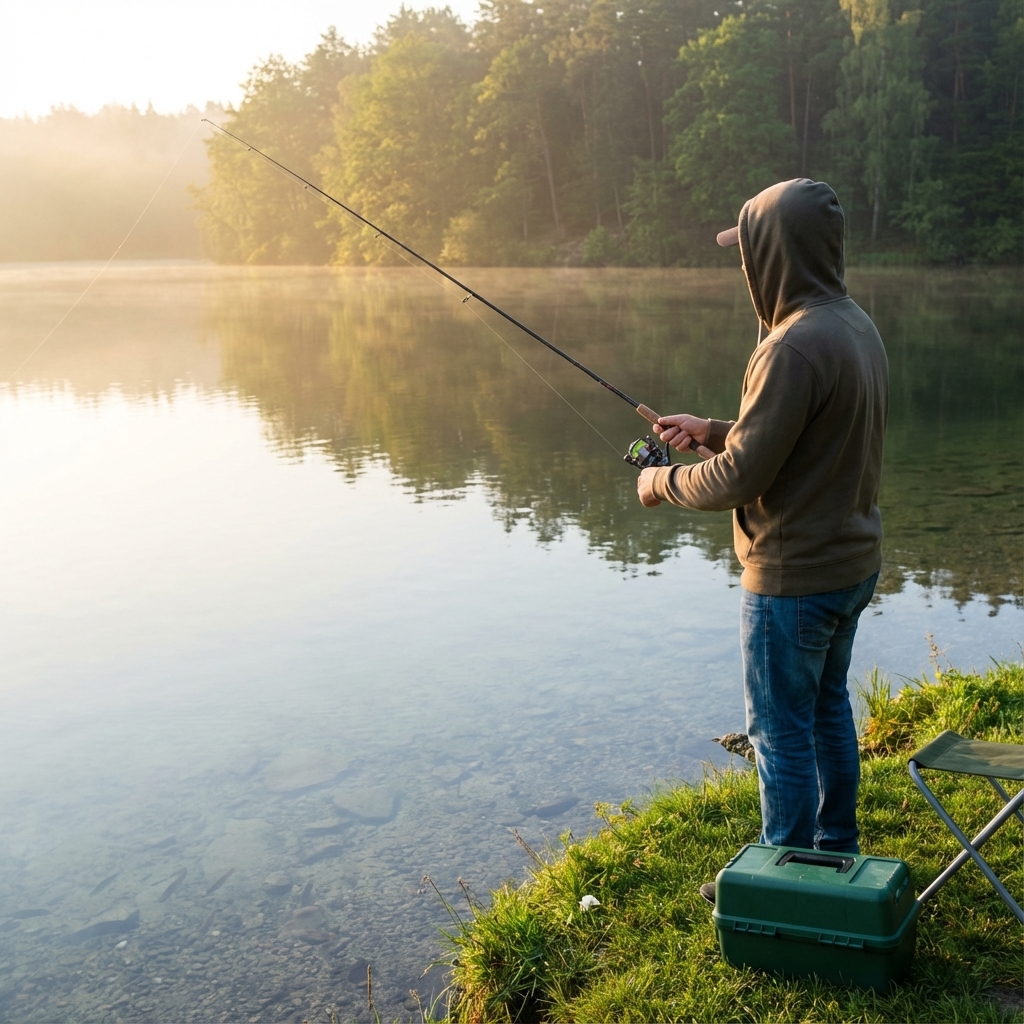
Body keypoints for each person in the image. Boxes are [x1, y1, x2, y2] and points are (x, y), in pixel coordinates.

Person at [635, 179, 889, 884]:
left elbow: (737, 481)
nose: (742, 266)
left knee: (778, 730)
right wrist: (715, 430)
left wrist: (661, 483)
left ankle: (788, 872)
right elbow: (804, 438)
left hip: (794, 577)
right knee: (829, 706)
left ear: (773, 256)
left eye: (746, 251)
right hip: (851, 563)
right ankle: (835, 849)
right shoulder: (853, 325)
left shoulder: (789, 347)